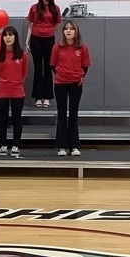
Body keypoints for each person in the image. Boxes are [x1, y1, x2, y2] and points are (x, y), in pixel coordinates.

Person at [51, 20, 90, 156]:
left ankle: (74, 146)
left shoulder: (82, 48)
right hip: (60, 84)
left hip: (76, 84)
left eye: (71, 29)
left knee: (73, 115)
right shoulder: (57, 47)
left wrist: (78, 77)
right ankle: (62, 146)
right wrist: (62, 76)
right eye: (66, 29)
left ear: (76, 31)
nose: (68, 31)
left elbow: (85, 66)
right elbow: (53, 65)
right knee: (62, 115)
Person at [0, 25, 29, 157]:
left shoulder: (22, 55)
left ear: (15, 37)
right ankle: (3, 145)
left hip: (17, 91)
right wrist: (4, 83)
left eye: (11, 35)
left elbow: (24, 73)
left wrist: (16, 83)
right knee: (2, 119)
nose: (8, 38)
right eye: (5, 35)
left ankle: (16, 145)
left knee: (16, 119)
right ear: (2, 38)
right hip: (2, 90)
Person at [26, 0, 62, 108]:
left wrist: (48, 31)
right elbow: (31, 25)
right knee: (38, 68)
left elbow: (56, 23)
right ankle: (38, 97)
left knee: (48, 68)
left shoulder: (55, 8)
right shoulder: (34, 8)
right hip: (36, 39)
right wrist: (27, 42)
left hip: (49, 40)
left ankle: (47, 97)